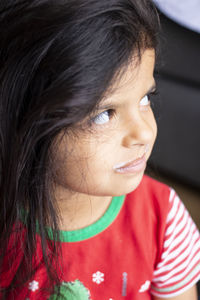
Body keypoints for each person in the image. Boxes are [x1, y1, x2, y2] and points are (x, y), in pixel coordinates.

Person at [0, 1, 199, 299]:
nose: (144, 132)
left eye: (145, 98)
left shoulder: (164, 220)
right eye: (103, 114)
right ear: (23, 118)